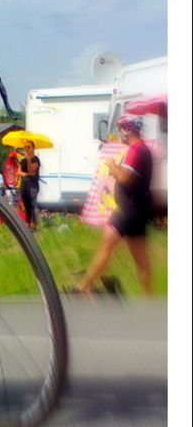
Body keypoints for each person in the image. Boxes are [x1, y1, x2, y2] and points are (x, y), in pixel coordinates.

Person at [74, 114, 154, 295]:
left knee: (106, 246)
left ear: (128, 129)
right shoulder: (142, 149)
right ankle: (151, 302)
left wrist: (111, 165)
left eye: (120, 129)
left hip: (128, 209)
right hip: (136, 209)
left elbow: (126, 179)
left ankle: (82, 288)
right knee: (141, 260)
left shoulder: (135, 150)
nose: (119, 133)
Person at [17, 141, 41, 231]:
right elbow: (18, 172)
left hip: (33, 185)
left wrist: (29, 160)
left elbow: (32, 172)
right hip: (24, 185)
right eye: (25, 147)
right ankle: (27, 225)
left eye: (28, 147)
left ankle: (34, 225)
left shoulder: (35, 159)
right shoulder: (23, 160)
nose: (26, 149)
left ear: (33, 148)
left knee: (32, 205)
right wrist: (24, 173)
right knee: (26, 205)